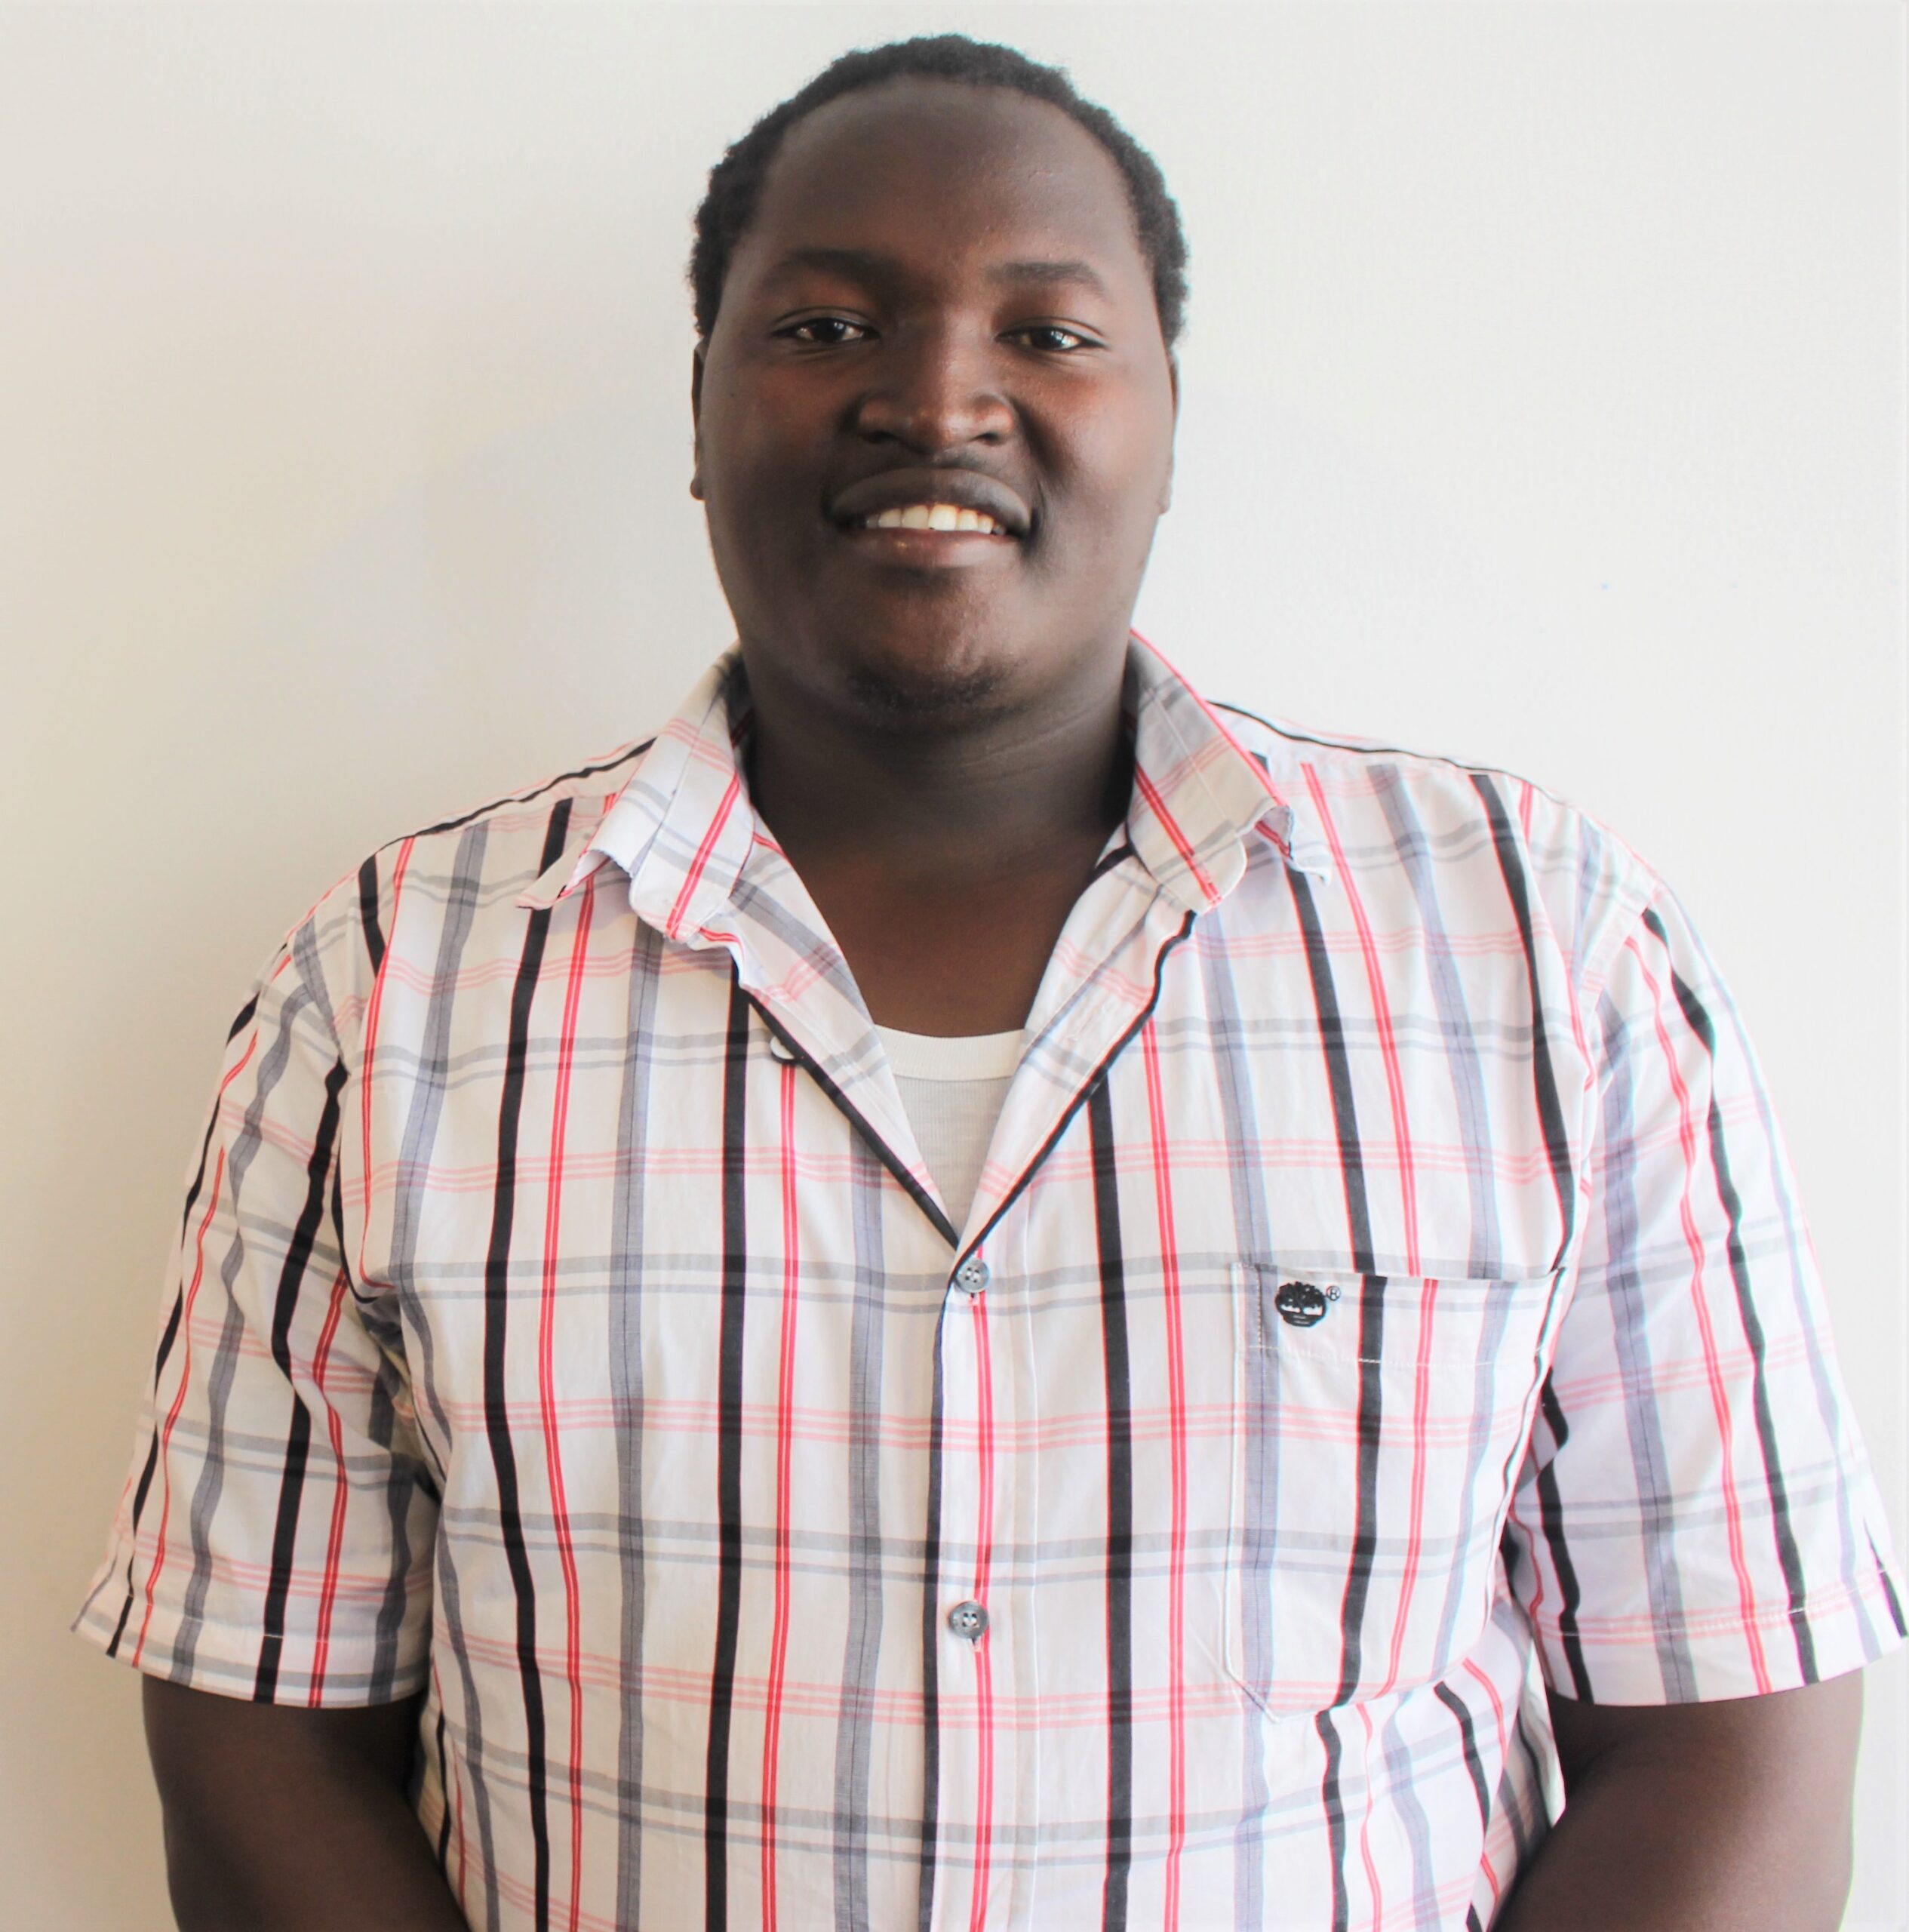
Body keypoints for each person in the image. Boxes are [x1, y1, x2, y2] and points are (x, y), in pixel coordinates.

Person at [77, 34, 1903, 1932]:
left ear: (1166, 422)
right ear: (694, 425)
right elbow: (254, 1724)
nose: (934, 393)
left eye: (1044, 332)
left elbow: (1728, 1720)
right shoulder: (392, 985)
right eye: (820, 327)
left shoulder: (1536, 945)